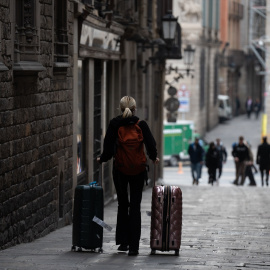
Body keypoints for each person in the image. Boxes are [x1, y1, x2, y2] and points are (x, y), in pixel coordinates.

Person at [97, 96, 159, 256]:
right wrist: (154, 157)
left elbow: (109, 150)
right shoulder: (141, 124)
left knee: (123, 205)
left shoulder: (114, 124)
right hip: (138, 170)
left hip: (120, 169)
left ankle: (123, 243)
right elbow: (151, 145)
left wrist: (101, 159)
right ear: (134, 109)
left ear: (120, 108)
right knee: (136, 206)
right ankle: (134, 247)